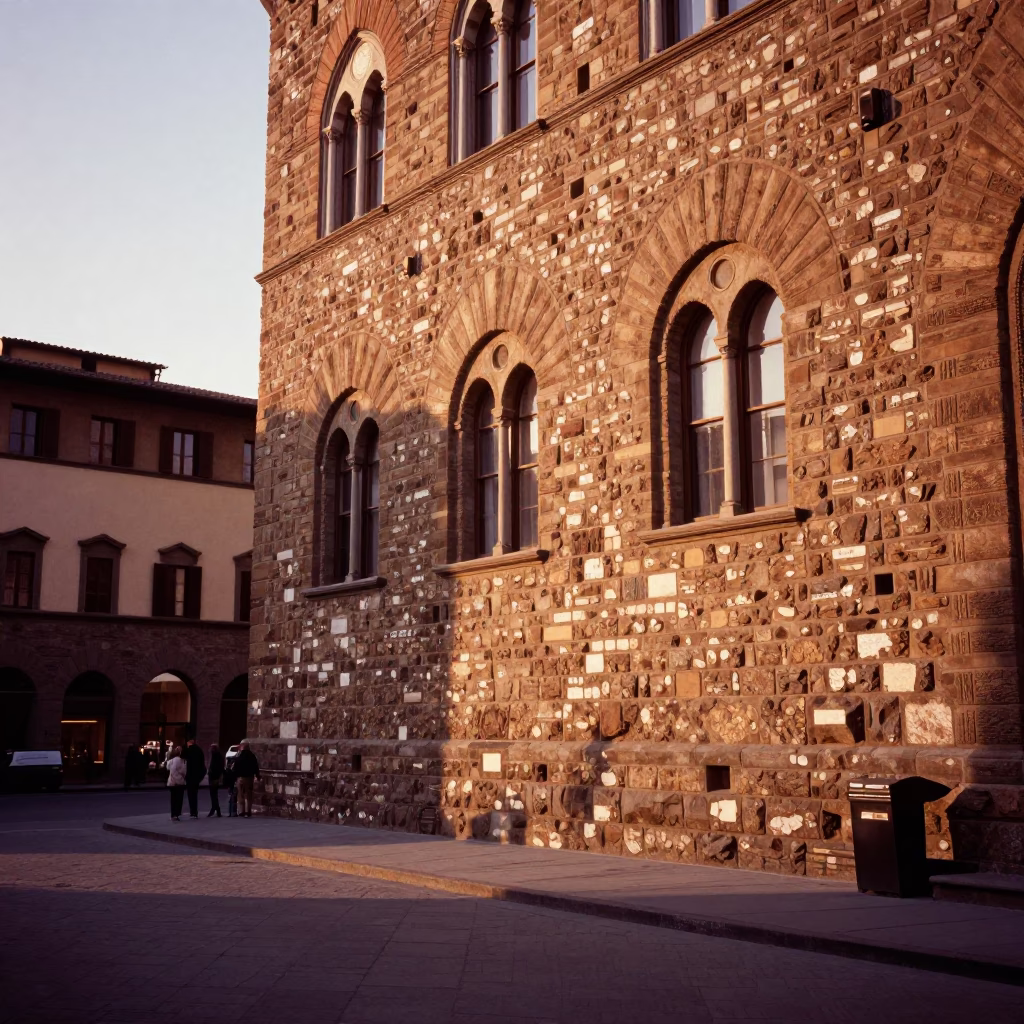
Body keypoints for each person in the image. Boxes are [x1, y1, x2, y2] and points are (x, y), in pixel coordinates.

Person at [233, 740, 260, 818]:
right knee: (248, 795)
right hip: (249, 777)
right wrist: (257, 776)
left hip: (240, 778)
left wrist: (235, 777)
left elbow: (235, 767)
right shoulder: (252, 756)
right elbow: (256, 767)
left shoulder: (239, 756)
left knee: (240, 794)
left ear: (242, 747)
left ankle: (241, 811)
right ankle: (248, 811)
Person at [183, 738, 206, 819]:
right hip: (197, 776)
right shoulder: (199, 750)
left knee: (190, 794)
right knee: (195, 794)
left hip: (190, 776)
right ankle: (195, 812)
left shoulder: (189, 751)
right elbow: (203, 765)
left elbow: (183, 757)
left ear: (189, 743)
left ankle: (192, 811)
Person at [165, 746, 186, 821]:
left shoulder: (171, 761)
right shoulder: (181, 761)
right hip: (179, 782)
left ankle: (172, 814)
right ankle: (176, 814)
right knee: (179, 799)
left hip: (171, 782)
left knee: (173, 799)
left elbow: (168, 768)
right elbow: (184, 771)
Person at [207, 743, 224, 817]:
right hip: (215, 776)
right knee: (214, 794)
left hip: (214, 777)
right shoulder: (218, 755)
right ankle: (216, 810)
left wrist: (211, 773)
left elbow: (215, 767)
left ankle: (215, 809)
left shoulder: (215, 756)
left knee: (213, 794)